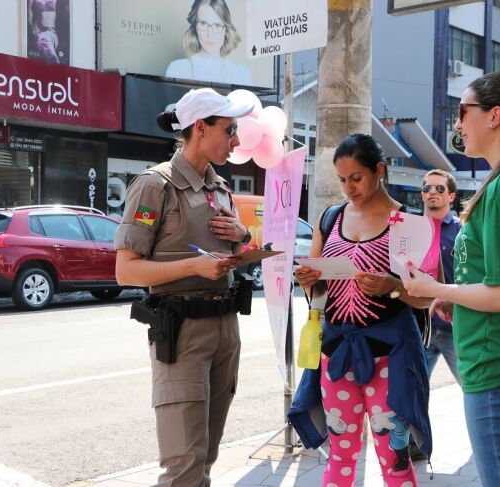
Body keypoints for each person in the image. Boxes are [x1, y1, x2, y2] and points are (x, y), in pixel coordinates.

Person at [402, 72, 500, 487]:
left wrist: (436, 288)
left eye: (462, 112)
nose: (457, 123)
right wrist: (464, 297)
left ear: (494, 116)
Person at [114, 87, 254, 486]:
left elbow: (233, 249)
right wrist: (193, 265)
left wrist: (243, 238)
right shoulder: (154, 186)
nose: (237, 141)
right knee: (184, 467)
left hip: (226, 328)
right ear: (199, 127)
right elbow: (126, 270)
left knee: (206, 457)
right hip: (183, 332)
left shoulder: (220, 187)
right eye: (229, 130)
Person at [288, 134, 435, 487]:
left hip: (390, 357)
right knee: (339, 455)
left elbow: (428, 295)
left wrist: (393, 286)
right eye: (341, 179)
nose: (348, 188)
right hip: (337, 353)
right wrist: (308, 280)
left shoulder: (408, 222)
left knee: (394, 457)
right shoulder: (331, 217)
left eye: (356, 178)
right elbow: (319, 290)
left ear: (379, 171)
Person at [420, 169, 462, 384]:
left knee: (472, 387)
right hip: (419, 327)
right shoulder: (409, 229)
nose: (432, 192)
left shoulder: (462, 231)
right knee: (413, 394)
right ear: (422, 194)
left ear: (451, 196)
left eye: (439, 188)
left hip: (453, 327)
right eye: (427, 188)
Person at [165, 0, 253, 86]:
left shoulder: (242, 74)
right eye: (203, 23)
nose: (210, 34)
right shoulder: (176, 69)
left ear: (226, 30)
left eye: (217, 25)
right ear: (195, 26)